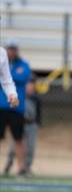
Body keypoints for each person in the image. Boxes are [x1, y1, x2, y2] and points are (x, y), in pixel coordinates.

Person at [0, 44, 31, 177]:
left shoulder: (2, 54)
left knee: (18, 138)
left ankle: (21, 169)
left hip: (14, 108)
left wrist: (12, 94)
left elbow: (7, 78)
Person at [4, 76, 42, 176]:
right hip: (20, 123)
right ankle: (9, 163)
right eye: (28, 84)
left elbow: (38, 112)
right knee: (16, 144)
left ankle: (26, 167)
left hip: (31, 124)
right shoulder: (19, 95)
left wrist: (37, 123)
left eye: (32, 85)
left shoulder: (36, 98)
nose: (30, 87)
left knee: (30, 146)